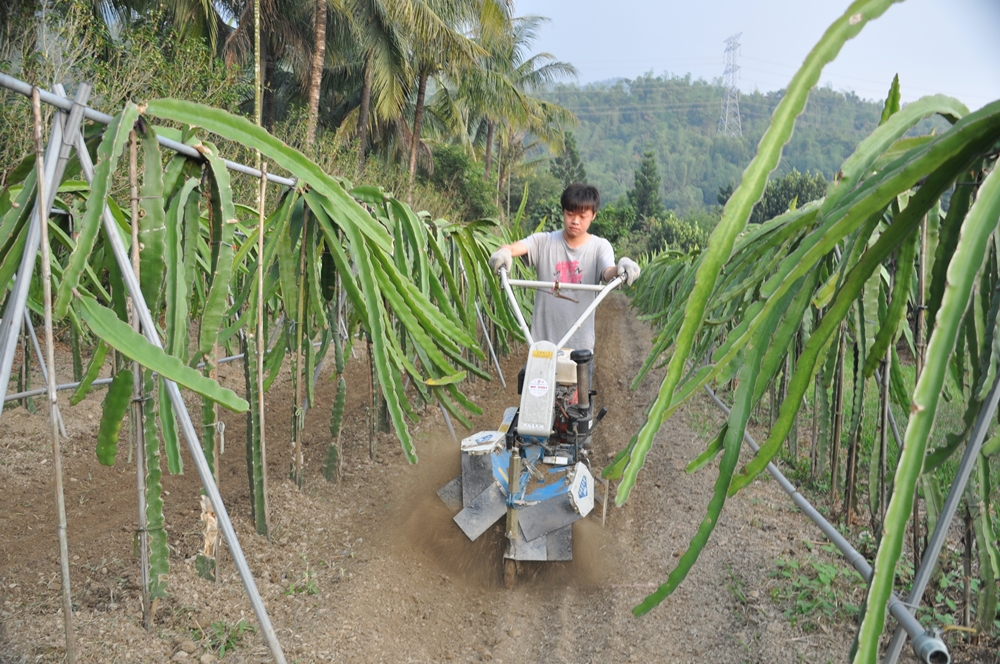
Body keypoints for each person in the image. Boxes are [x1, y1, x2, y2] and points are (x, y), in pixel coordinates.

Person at [487, 183, 640, 354]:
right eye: (570, 214)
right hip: (542, 345)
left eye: (582, 216)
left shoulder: (600, 247)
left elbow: (608, 272)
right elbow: (514, 248)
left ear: (593, 216)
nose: (575, 221)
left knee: (578, 382)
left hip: (580, 347)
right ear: (563, 212)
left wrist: (622, 266)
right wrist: (505, 253)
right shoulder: (543, 242)